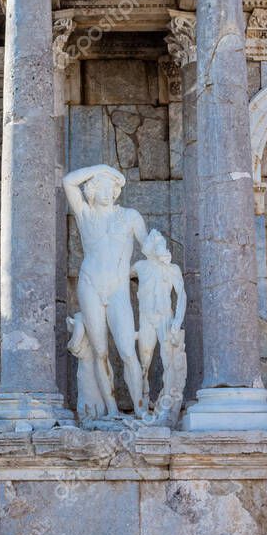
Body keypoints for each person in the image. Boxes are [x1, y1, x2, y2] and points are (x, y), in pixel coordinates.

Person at [63, 164, 148, 417]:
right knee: (100, 351)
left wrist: (144, 271)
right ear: (92, 189)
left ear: (115, 191)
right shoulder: (85, 214)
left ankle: (141, 410)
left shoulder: (130, 216)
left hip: (118, 288)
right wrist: (101, 168)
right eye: (101, 185)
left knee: (127, 351)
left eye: (111, 186)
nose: (106, 191)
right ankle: (112, 410)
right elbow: (68, 181)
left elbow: (149, 249)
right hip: (90, 285)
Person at [131, 229, 187, 420]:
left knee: (168, 359)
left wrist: (177, 321)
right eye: (152, 242)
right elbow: (119, 279)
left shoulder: (172, 269)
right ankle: (142, 404)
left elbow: (182, 295)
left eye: (158, 242)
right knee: (144, 361)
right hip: (146, 317)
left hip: (165, 317)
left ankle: (169, 404)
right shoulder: (139, 267)